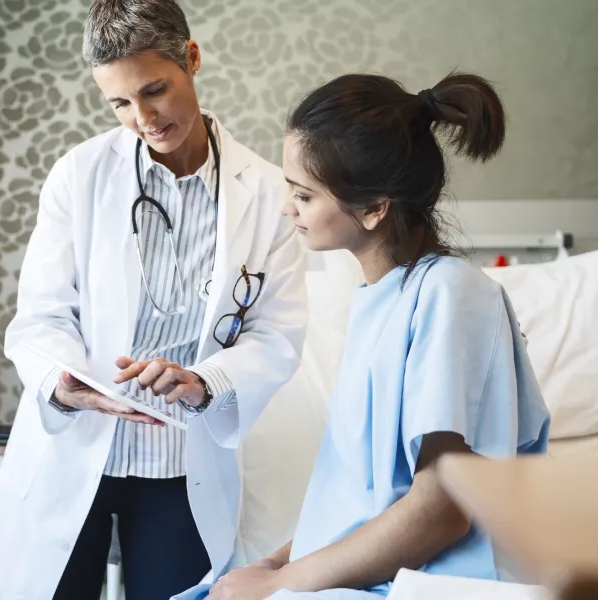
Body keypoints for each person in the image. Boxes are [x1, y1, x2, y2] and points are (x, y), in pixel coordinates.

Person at [0, 1, 307, 598]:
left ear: (191, 60)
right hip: (80, 442)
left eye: (155, 90)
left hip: (181, 461)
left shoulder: (270, 193)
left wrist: (205, 381)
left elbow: (276, 333)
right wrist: (64, 382)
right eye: (120, 103)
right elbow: (42, 314)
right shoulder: (80, 174)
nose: (143, 117)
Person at [176, 72, 551, 600]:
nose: (287, 207)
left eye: (303, 195)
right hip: (380, 572)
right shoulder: (381, 300)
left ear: (375, 207)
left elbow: (442, 513)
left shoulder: (451, 294)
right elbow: (358, 505)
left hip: (438, 581)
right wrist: (270, 566)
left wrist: (279, 584)